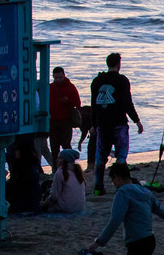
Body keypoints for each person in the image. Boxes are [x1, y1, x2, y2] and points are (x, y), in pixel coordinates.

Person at [85, 161, 164, 255]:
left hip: (136, 242)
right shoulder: (146, 192)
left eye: (113, 181)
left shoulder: (122, 193)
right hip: (150, 240)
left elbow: (115, 220)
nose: (114, 184)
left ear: (117, 177)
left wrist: (98, 242)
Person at [90, 52, 144, 195]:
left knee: (100, 157)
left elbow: (93, 105)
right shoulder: (122, 80)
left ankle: (98, 187)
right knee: (121, 156)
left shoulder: (97, 81)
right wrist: (137, 121)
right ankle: (121, 185)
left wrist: (92, 124)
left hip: (102, 123)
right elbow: (127, 102)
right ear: (119, 64)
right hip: (119, 122)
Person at [49, 65, 82, 167]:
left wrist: (68, 100)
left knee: (66, 146)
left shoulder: (70, 87)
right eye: (56, 78)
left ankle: (70, 166)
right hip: (53, 121)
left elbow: (78, 103)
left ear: (64, 76)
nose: (58, 80)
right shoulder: (50, 87)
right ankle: (56, 169)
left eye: (60, 77)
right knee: (54, 148)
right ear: (53, 77)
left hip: (66, 121)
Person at [41, 148, 86, 215]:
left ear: (64, 160)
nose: (57, 160)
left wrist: (44, 203)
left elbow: (54, 197)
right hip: (79, 207)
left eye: (59, 158)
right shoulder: (77, 172)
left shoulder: (60, 172)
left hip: (64, 208)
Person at [6, 137, 44, 213]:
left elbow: (18, 189)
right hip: (32, 202)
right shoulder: (32, 164)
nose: (15, 153)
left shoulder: (22, 167)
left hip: (23, 202)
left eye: (16, 151)